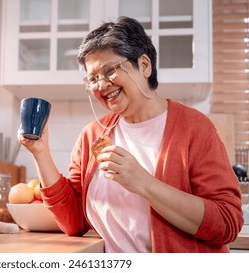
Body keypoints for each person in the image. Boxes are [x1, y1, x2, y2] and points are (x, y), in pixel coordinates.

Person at [18, 16, 243, 253]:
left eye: (109, 70)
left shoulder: (195, 128)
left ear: (144, 65)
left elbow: (227, 222)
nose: (101, 85)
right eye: (92, 79)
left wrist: (143, 183)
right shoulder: (91, 136)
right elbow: (74, 222)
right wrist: (40, 153)